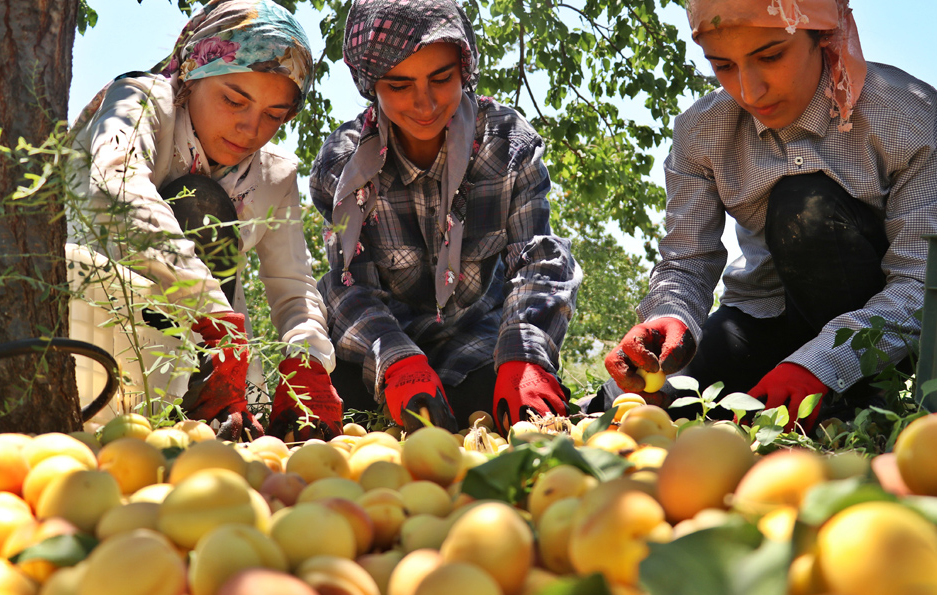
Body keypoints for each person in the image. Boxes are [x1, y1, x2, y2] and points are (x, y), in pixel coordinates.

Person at [594, 0, 937, 429]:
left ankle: (857, 399)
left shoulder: (906, 116)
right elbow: (686, 262)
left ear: (823, 38)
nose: (749, 92)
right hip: (761, 314)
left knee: (805, 206)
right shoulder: (700, 131)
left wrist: (821, 364)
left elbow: (920, 281)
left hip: (869, 330)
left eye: (770, 56)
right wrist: (668, 317)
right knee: (639, 404)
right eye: (723, 65)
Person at [71, 0, 341, 441]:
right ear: (193, 73)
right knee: (200, 201)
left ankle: (212, 406)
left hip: (214, 359)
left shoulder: (272, 175)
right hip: (98, 319)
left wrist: (307, 361)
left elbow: (294, 290)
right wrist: (211, 312)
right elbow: (113, 184)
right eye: (234, 100)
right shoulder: (140, 103)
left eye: (275, 116)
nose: (250, 129)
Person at [310, 0, 582, 434]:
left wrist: (524, 355)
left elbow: (538, 259)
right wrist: (397, 361)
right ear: (370, 85)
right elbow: (348, 288)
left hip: (478, 340)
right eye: (399, 86)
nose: (424, 103)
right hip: (379, 343)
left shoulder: (507, 145)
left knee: (501, 418)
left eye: (441, 78)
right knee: (339, 421)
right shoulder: (342, 168)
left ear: (465, 69)